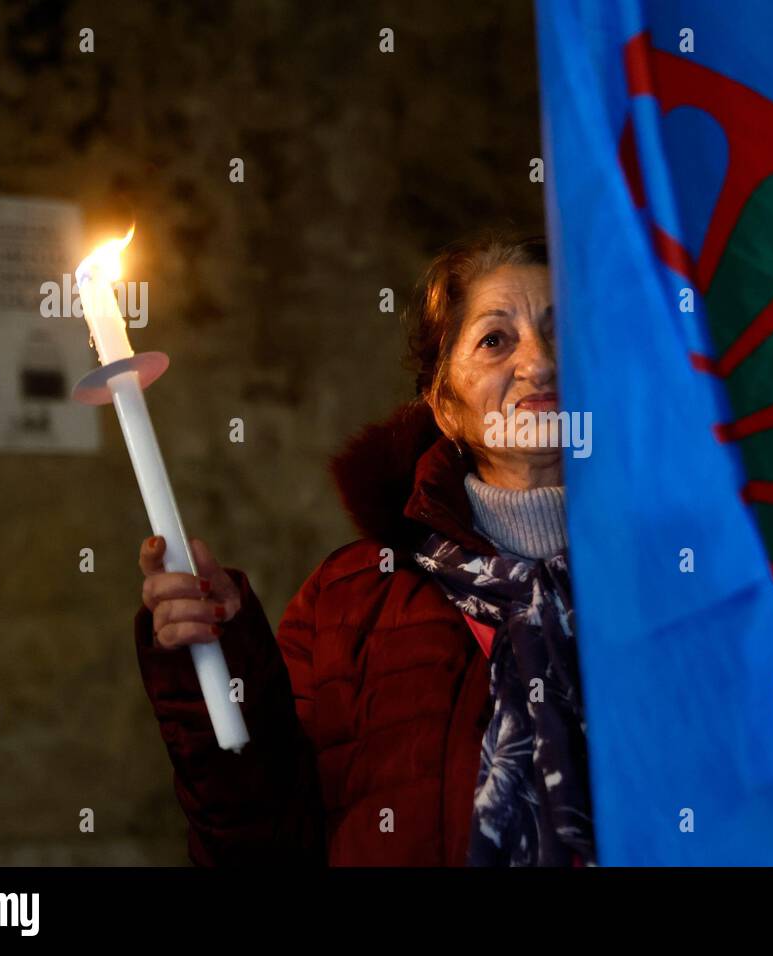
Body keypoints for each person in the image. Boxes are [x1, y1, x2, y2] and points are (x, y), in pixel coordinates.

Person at [135, 231, 596, 866]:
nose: (540, 363)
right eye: (495, 340)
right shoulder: (349, 599)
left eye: (561, 331)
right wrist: (216, 666)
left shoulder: (684, 579)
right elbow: (260, 844)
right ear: (444, 404)